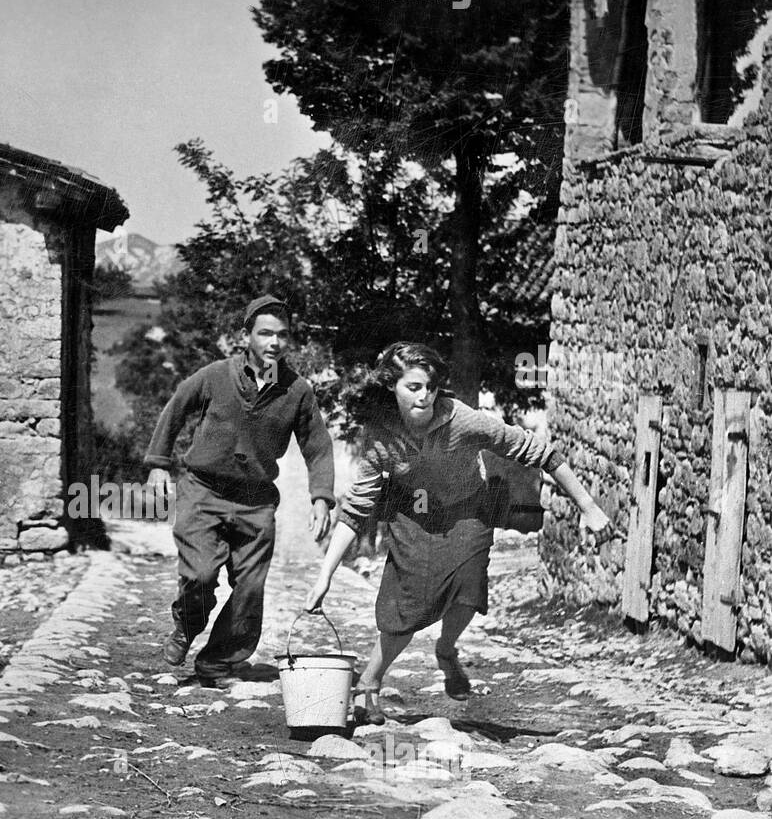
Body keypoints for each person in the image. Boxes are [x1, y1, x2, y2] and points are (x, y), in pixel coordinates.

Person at [304, 341, 610, 724]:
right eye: (413, 387)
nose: (425, 396)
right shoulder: (381, 436)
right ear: (391, 388)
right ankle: (369, 681)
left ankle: (446, 650)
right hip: (412, 517)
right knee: (407, 607)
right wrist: (324, 576)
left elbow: (539, 452)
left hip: (468, 510)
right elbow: (356, 510)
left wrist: (589, 506)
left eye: (430, 387)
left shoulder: (463, 419)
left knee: (469, 587)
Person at [145, 295, 336, 688]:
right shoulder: (215, 375)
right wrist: (158, 465)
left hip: (256, 501)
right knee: (199, 576)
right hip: (202, 492)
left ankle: (218, 661)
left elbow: (317, 444)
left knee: (250, 588)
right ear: (245, 335)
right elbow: (176, 408)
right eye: (265, 333)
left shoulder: (297, 391)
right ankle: (187, 625)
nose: (274, 342)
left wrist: (321, 496)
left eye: (282, 335)